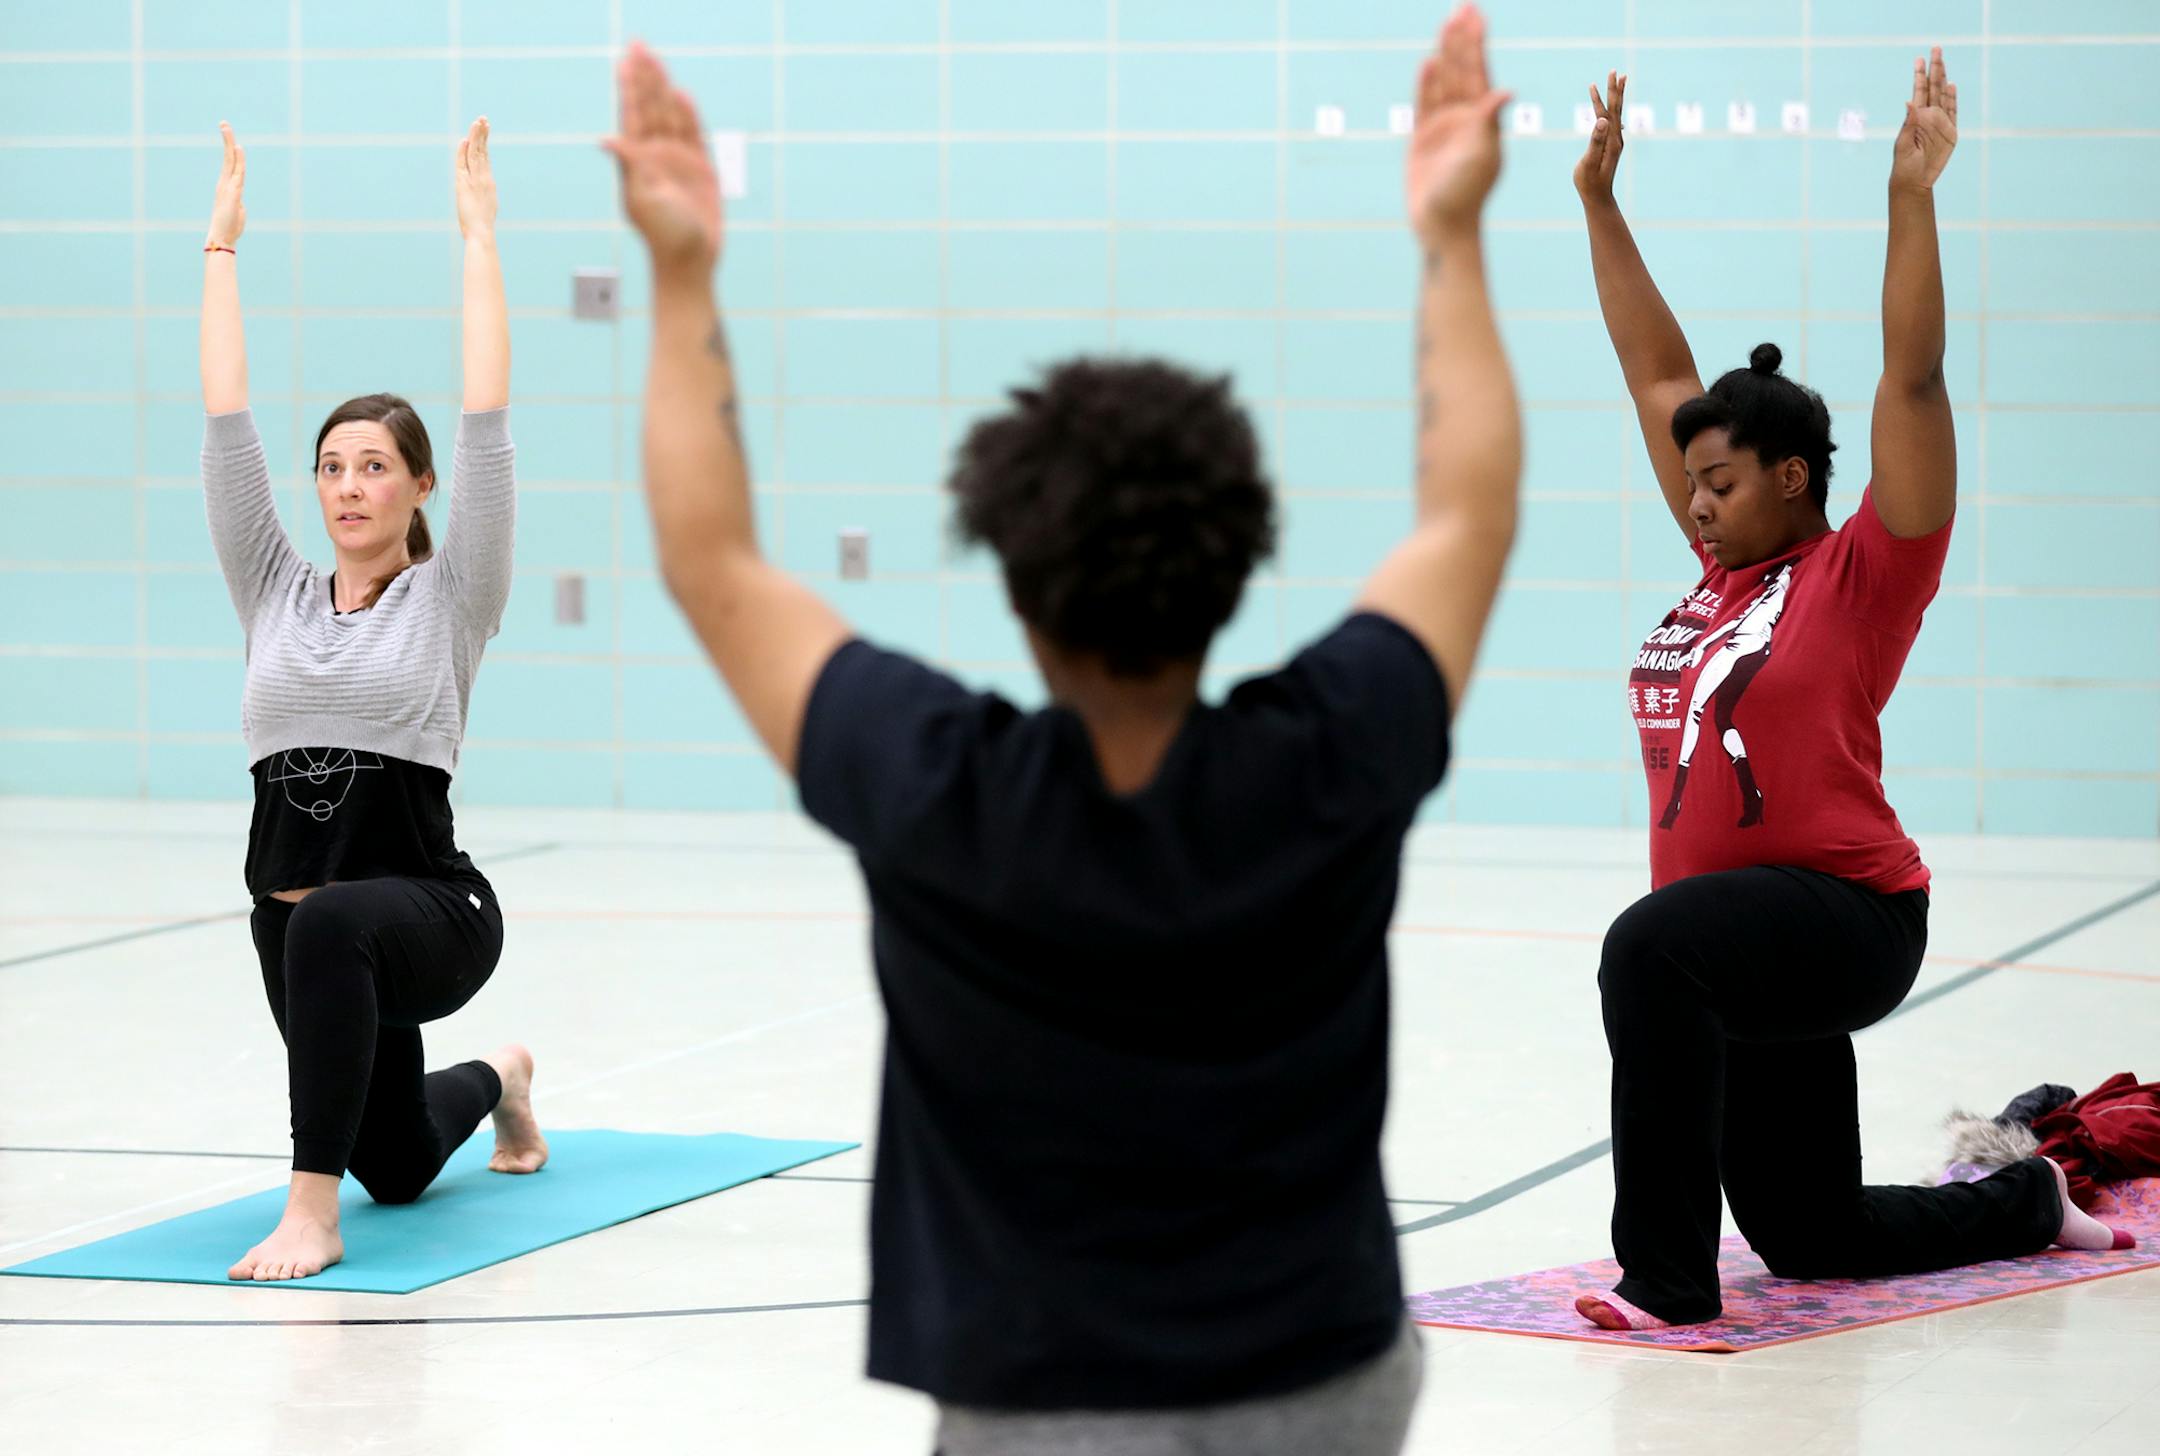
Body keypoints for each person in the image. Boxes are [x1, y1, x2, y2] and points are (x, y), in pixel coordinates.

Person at [603, 7, 1519, 1448]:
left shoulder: (932, 785)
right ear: (1231, 570)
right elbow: (1468, 510)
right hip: (1320, 1380)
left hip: (1041, 1402)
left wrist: (679, 272)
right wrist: (1453, 235)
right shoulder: (1335, 756)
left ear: (1018, 594)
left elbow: (711, 564)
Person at [1572, 51, 2132, 1331]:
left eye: (1719, 483)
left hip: (1847, 915)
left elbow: (1914, 380)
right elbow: (1657, 376)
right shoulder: (1719, 578)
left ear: (1789, 476)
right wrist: (1601, 204)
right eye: (1691, 487)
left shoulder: (1863, 571)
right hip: (1744, 946)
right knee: (1813, 1234)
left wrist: (1911, 198)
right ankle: (2026, 1198)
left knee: (1641, 950)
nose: (1695, 504)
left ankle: (1664, 1279)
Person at [198, 117, 547, 1282]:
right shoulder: (272, 586)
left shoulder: (454, 594)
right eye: (333, 466)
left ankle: (310, 1213)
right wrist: (221, 252)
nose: (349, 485)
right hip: (296, 925)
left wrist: (479, 237)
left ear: (418, 485)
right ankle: (504, 1080)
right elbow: (225, 424)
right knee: (396, 1159)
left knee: (338, 917)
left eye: (376, 465)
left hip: (433, 915)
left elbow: (488, 418)